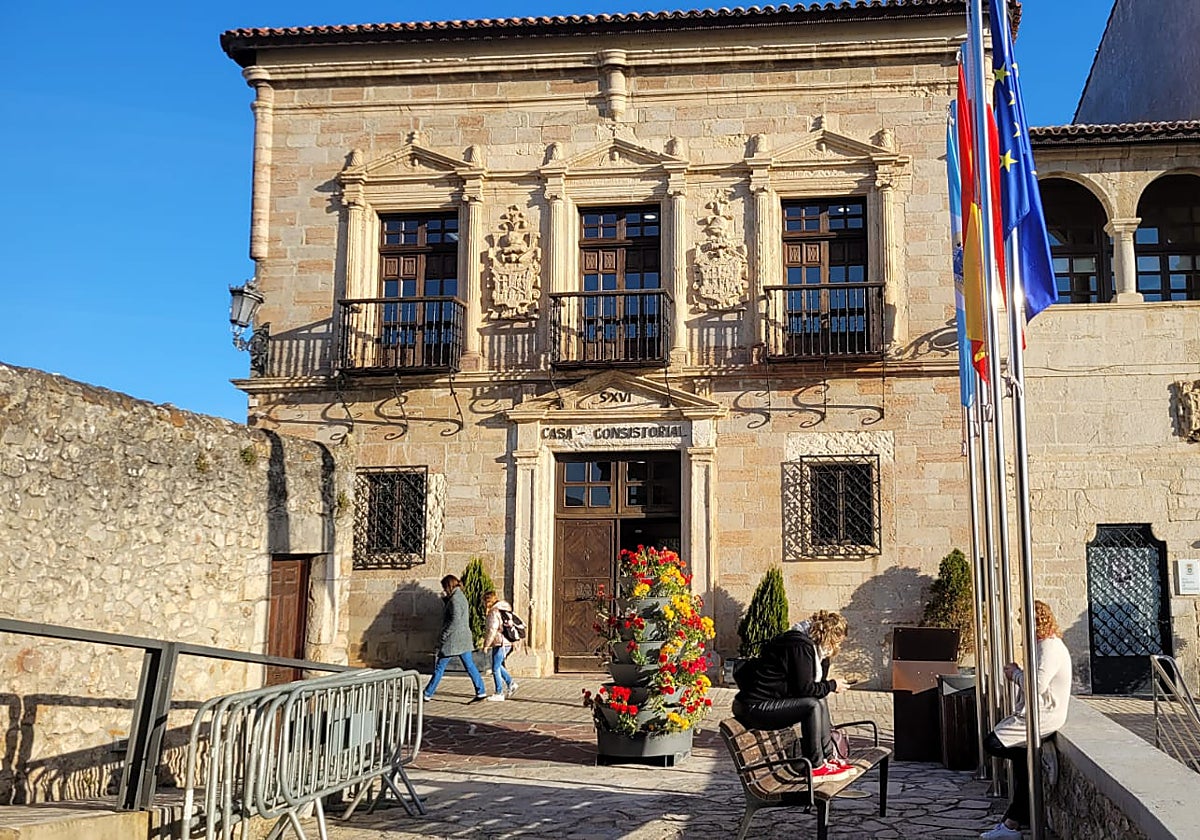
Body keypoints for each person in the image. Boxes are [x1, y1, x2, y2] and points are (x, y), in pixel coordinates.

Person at [980, 600, 1073, 840]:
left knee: (993, 743)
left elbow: (1038, 685)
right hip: (1036, 714)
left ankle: (1035, 756)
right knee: (1023, 772)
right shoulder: (1043, 646)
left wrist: (1015, 674)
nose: (1022, 627)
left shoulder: (1050, 647)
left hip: (1044, 716)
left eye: (1024, 622)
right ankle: (1012, 824)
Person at [731, 610, 857, 782]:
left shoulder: (809, 647)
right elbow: (805, 689)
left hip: (765, 703)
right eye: (835, 643)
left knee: (819, 700)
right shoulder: (799, 646)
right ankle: (816, 766)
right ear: (827, 637)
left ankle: (828, 757)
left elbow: (818, 685)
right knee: (811, 705)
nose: (836, 647)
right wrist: (833, 685)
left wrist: (825, 659)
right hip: (755, 707)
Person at [422, 574, 487, 703]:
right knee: (470, 666)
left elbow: (455, 619)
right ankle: (481, 691)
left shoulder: (455, 599)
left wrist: (445, 635)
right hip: (463, 638)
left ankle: (427, 693)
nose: (444, 590)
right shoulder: (459, 597)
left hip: (453, 639)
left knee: (440, 667)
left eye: (445, 587)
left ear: (448, 585)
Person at [481, 590, 520, 701]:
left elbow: (492, 630)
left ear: (488, 601)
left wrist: (486, 645)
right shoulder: (504, 609)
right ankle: (510, 683)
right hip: (506, 642)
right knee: (496, 665)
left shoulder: (494, 612)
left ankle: (499, 692)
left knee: (495, 667)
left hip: (501, 643)